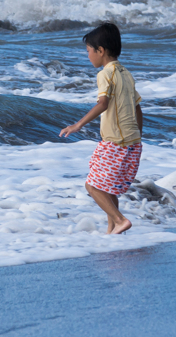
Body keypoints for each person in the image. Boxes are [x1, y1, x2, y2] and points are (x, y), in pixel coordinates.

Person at [60, 23, 143, 235]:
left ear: (101, 51)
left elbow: (103, 103)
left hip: (114, 142)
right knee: (109, 188)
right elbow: (137, 108)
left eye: (88, 51)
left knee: (93, 187)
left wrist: (77, 124)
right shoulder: (126, 73)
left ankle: (120, 220)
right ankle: (112, 228)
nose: (88, 56)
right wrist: (138, 137)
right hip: (132, 143)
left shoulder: (105, 74)